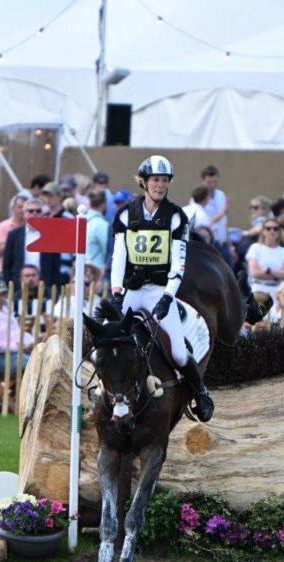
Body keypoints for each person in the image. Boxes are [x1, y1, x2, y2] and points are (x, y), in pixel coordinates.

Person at [109, 154, 213, 421]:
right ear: (143, 182)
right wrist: (117, 292)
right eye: (155, 180)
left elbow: (178, 263)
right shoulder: (125, 214)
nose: (160, 185)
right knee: (109, 341)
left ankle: (200, 393)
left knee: (178, 351)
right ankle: (102, 392)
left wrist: (168, 296)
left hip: (158, 290)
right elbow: (118, 256)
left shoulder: (176, 217)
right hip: (131, 289)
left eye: (164, 180)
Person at [2, 197, 65, 290]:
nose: (34, 213)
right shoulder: (14, 235)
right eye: (30, 211)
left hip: (45, 286)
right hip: (19, 287)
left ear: (43, 214)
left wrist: (54, 288)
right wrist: (10, 286)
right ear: (24, 214)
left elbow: (56, 265)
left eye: (38, 211)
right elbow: (7, 264)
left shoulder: (50, 235)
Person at [246, 219, 284, 297]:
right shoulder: (255, 247)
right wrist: (279, 274)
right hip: (258, 289)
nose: (272, 231)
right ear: (263, 231)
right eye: (268, 228)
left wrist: (269, 270)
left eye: (275, 228)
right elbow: (254, 273)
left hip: (278, 291)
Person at [0, 192, 30, 274]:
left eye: (25, 208)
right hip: (5, 269)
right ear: (13, 208)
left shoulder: (31, 228)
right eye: (20, 207)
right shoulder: (3, 226)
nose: (22, 210)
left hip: (26, 270)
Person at [201, 165, 229, 246]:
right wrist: (223, 212)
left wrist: (230, 246)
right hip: (209, 244)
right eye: (209, 182)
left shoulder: (221, 195)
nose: (212, 185)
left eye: (215, 182)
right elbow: (204, 223)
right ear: (203, 180)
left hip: (223, 244)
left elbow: (224, 221)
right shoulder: (198, 197)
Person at [85, 190, 111, 276]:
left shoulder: (80, 222)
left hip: (80, 268)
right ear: (104, 203)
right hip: (95, 272)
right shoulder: (102, 225)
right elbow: (108, 251)